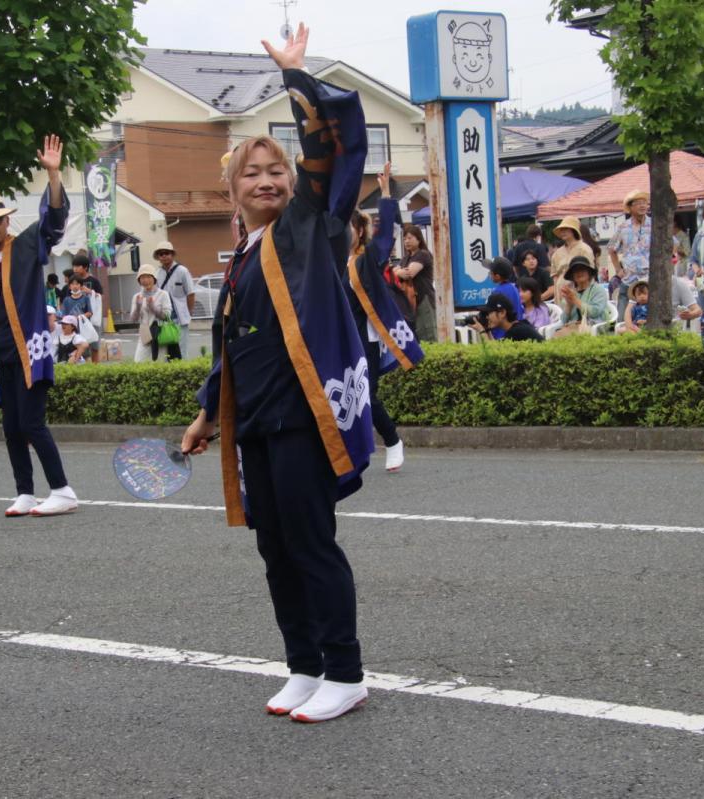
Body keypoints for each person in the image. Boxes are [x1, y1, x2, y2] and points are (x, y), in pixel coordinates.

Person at [181, 22, 372, 723]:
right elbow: (234, 347)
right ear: (232, 190)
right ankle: (304, 665)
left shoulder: (309, 227)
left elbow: (330, 153)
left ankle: (345, 671)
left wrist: (296, 77)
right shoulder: (240, 257)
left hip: (303, 417)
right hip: (256, 421)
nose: (266, 180)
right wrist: (209, 413)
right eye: (251, 173)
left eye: (276, 171)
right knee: (276, 549)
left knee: (310, 544)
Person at [0, 135, 78, 518]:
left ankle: (62, 490)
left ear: (7, 219)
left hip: (31, 351)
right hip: (2, 357)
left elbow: (53, 222)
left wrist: (53, 174)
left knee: (32, 423)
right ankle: (25, 492)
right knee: (11, 427)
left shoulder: (27, 244)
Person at [344, 164, 424, 473]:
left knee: (367, 393)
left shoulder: (367, 260)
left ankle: (392, 440)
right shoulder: (330, 263)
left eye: (349, 227)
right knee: (342, 396)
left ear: (359, 231)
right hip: (339, 338)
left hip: (366, 337)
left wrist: (387, 195)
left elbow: (384, 239)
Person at [608, 189, 652, 319]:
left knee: (649, 319)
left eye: (644, 202)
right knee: (622, 320)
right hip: (629, 279)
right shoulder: (623, 227)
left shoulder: (655, 224)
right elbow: (611, 249)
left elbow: (672, 244)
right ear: (630, 207)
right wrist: (618, 269)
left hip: (650, 279)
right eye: (638, 203)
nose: (643, 206)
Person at [393, 224, 436, 341]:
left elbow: (409, 273)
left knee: (428, 336)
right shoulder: (406, 258)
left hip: (424, 300)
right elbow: (393, 272)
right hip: (410, 303)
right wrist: (399, 272)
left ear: (419, 239)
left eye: (410, 238)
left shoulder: (423, 254)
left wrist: (398, 272)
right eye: (404, 239)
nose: (406, 241)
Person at [153, 241, 196, 359]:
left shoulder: (182, 271)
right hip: (164, 319)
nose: (164, 256)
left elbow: (191, 294)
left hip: (180, 318)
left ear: (172, 254)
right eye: (161, 254)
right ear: (158, 257)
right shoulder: (157, 274)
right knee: (165, 352)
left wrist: (189, 312)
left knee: (181, 350)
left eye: (167, 253)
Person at [554, 255, 608, 337]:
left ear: (589, 273)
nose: (579, 273)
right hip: (572, 327)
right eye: (575, 271)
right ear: (572, 276)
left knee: (561, 336)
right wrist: (569, 305)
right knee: (557, 334)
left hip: (593, 328)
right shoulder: (571, 292)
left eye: (582, 269)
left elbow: (594, 312)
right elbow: (563, 320)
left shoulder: (598, 290)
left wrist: (574, 299)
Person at [130, 263, 173, 362]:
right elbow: (133, 319)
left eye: (148, 277)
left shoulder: (163, 294)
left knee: (159, 362)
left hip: (159, 332)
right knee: (139, 362)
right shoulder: (137, 297)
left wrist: (153, 308)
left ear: (154, 279)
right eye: (142, 278)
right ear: (139, 280)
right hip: (144, 332)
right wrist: (138, 306)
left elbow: (167, 316)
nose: (145, 280)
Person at [471, 292, 543, 342]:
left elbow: (493, 354)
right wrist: (487, 331)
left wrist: (481, 331)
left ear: (502, 313)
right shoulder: (519, 327)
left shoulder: (517, 332)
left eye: (488, 313)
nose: (487, 317)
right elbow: (495, 348)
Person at [549, 216, 598, 284]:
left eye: (566, 229)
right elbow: (554, 274)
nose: (563, 232)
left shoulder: (584, 249)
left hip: (579, 287)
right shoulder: (557, 253)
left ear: (573, 230)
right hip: (560, 288)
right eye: (561, 229)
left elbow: (589, 272)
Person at [485, 258, 524, 339]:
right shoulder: (513, 287)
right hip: (517, 331)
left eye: (491, 272)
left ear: (497, 276)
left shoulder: (497, 292)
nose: (489, 274)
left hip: (502, 335)